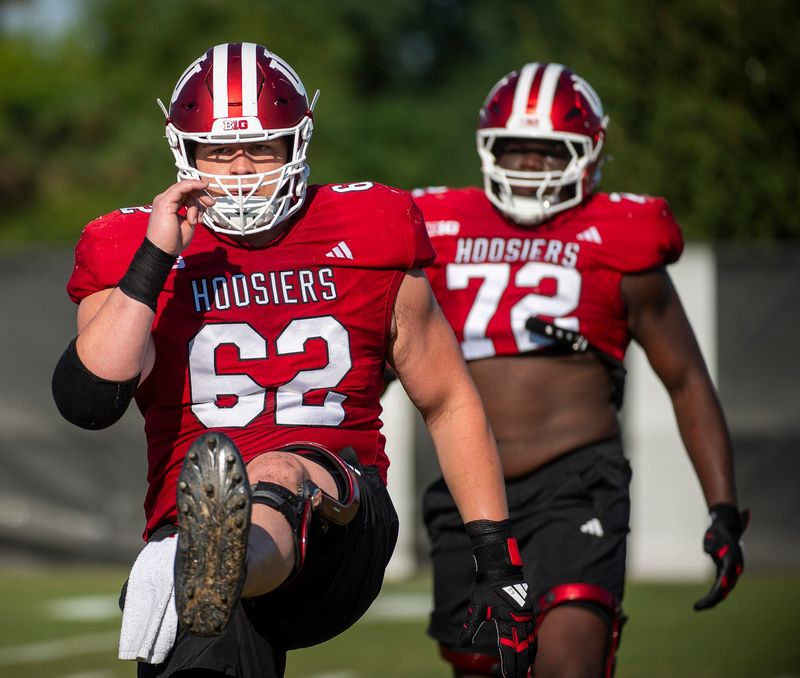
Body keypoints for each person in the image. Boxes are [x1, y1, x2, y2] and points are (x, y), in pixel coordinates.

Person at [51, 43, 535, 678]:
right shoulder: (130, 246)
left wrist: (497, 561)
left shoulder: (368, 226)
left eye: (263, 148)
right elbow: (89, 401)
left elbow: (447, 401)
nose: (243, 169)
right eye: (220, 151)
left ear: (297, 145)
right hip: (190, 534)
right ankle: (207, 566)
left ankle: (218, 566)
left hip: (341, 523)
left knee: (278, 466)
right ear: (185, 153)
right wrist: (156, 256)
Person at [413, 62, 749, 678]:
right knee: (483, 666)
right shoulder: (433, 230)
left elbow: (687, 380)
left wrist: (722, 509)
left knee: (569, 661)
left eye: (549, 153)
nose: (531, 168)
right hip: (469, 492)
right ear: (486, 151)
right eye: (515, 151)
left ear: (589, 155)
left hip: (575, 484)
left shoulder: (622, 236)